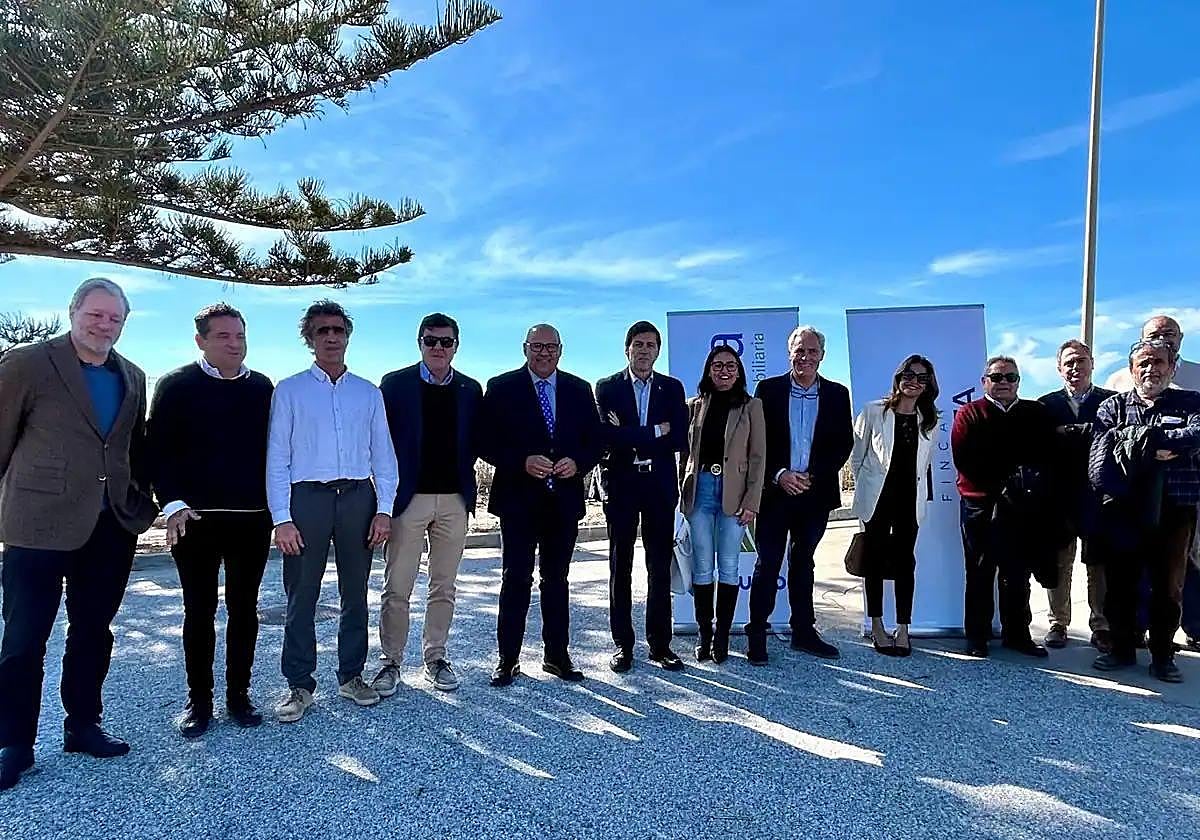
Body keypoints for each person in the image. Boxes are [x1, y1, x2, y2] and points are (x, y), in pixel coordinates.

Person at [0, 278, 158, 791]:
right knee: (24, 639)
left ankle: (82, 725)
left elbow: (133, 448)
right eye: (96, 314)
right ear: (72, 311)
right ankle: (13, 743)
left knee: (93, 631)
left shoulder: (132, 376)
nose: (104, 324)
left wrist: (145, 501)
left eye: (115, 317)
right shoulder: (28, 364)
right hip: (37, 525)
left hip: (109, 526)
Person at [147, 304, 274, 737]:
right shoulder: (176, 385)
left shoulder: (261, 388)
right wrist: (171, 502)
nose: (234, 343)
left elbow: (273, 452)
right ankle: (198, 701)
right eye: (223, 336)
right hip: (194, 520)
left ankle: (239, 696)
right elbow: (157, 451)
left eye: (239, 335)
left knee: (244, 611)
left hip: (252, 519)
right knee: (197, 611)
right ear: (201, 340)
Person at [266, 300, 398, 722]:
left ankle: (351, 675)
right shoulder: (289, 390)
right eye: (322, 330)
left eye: (338, 330)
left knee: (355, 592)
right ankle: (300, 684)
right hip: (308, 499)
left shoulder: (368, 392)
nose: (331, 337)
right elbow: (277, 458)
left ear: (347, 335)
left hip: (359, 497)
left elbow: (384, 455)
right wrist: (281, 517)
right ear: (310, 338)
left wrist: (385, 510)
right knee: (301, 593)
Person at [481, 325, 602, 687]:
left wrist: (578, 463)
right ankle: (508, 659)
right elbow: (484, 441)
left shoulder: (580, 389)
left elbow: (595, 442)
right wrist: (521, 460)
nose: (544, 353)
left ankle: (556, 656)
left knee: (557, 580)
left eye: (551, 347)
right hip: (518, 502)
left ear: (561, 350)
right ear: (525, 348)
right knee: (515, 579)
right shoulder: (501, 388)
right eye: (537, 346)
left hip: (562, 503)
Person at [373, 313, 482, 694]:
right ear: (419, 342)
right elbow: (378, 442)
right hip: (409, 499)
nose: (438, 347)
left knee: (444, 586)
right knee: (397, 586)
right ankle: (390, 662)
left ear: (456, 345)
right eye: (431, 340)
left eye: (446, 341)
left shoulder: (470, 389)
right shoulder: (395, 385)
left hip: (454, 499)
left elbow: (480, 440)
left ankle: (435, 657)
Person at [1090, 339, 1200, 683]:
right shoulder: (1113, 407)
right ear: (1132, 369)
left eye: (1159, 362)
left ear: (1172, 366)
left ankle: (1163, 656)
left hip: (1175, 507)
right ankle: (1122, 649)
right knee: (1122, 583)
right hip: (1126, 508)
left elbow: (1196, 433)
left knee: (1169, 587)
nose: (1151, 369)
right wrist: (1158, 444)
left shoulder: (1191, 402)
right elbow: (1103, 447)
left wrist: (1138, 444)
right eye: (1144, 363)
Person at [745, 326, 853, 665]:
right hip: (776, 493)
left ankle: (804, 631)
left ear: (821, 355)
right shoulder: (769, 389)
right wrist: (780, 474)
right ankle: (757, 634)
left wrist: (812, 476)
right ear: (789, 352)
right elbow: (757, 439)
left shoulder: (837, 393)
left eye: (811, 351)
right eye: (799, 350)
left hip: (814, 494)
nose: (805, 357)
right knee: (768, 562)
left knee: (804, 562)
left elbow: (842, 443)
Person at [596, 321, 688, 672]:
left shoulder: (671, 388)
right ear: (627, 348)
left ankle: (660, 644)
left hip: (659, 485)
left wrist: (631, 434)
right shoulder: (607, 388)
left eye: (651, 344)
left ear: (658, 350)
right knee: (620, 567)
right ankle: (623, 644)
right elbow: (606, 437)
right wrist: (653, 431)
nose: (644, 350)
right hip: (621, 484)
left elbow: (678, 437)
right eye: (638, 344)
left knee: (659, 567)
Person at [951, 356, 1057, 659]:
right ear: (985, 381)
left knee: (1017, 572)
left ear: (1018, 382)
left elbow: (1045, 454)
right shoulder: (970, 414)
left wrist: (1024, 481)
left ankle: (1018, 634)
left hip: (1024, 506)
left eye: (1010, 377)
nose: (1004, 383)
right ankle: (977, 636)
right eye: (996, 378)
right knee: (980, 570)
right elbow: (966, 459)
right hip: (981, 505)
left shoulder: (1035, 413)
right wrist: (1009, 477)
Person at [680, 345, 766, 663]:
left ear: (739, 371)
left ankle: (722, 637)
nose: (724, 371)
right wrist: (681, 494)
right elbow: (685, 456)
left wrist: (752, 501)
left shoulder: (751, 406)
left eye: (731, 365)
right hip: (700, 491)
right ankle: (705, 634)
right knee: (703, 566)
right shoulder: (694, 406)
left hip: (735, 494)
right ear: (708, 370)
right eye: (718, 365)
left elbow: (759, 457)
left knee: (728, 565)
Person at [850, 355, 940, 657]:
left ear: (928, 385)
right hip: (877, 501)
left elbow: (923, 466)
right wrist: (863, 493)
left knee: (905, 564)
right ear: (898, 377)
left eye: (922, 377)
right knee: (873, 563)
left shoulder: (929, 419)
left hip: (908, 501)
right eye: (909, 374)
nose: (914, 381)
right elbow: (857, 457)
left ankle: (903, 627)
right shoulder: (874, 411)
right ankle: (876, 625)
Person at [1036, 339, 1115, 652]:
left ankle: (1102, 624)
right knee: (1059, 563)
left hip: (1098, 496)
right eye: (1068, 362)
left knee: (1099, 564)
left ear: (1092, 364)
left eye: (1081, 361)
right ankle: (1058, 622)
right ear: (1059, 369)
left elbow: (1110, 439)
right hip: (1058, 497)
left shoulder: (1110, 402)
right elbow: (1042, 448)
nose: (1075, 368)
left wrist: (1069, 432)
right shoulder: (1045, 405)